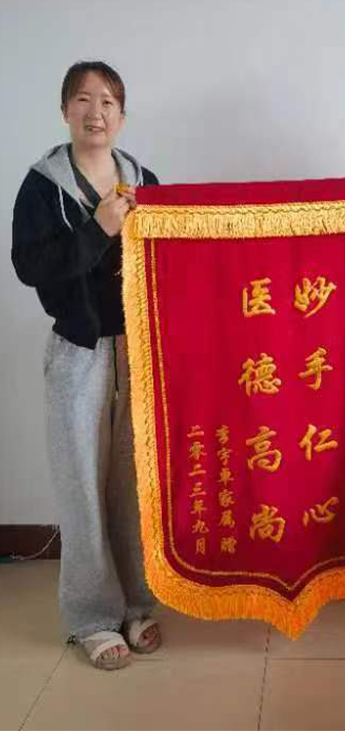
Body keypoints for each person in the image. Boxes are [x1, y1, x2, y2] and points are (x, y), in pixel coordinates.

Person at [12, 61, 161, 670]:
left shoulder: (145, 181)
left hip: (140, 352)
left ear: (121, 116)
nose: (95, 112)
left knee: (134, 486)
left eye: (107, 101)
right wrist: (98, 228)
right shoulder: (41, 185)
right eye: (82, 99)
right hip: (78, 350)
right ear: (65, 111)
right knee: (82, 488)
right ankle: (92, 618)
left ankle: (139, 603)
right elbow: (30, 266)